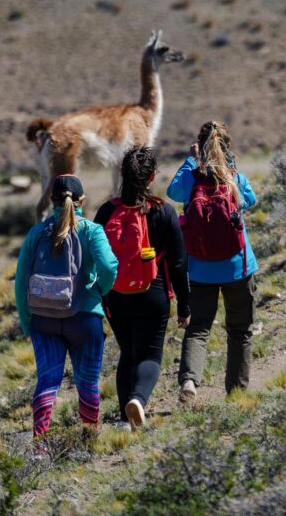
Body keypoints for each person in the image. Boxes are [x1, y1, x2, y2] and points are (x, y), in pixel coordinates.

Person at [14, 174, 118, 437]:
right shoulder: (92, 230)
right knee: (87, 383)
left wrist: (28, 322)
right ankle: (89, 438)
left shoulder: (37, 232)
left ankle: (40, 443)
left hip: (43, 319)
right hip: (85, 319)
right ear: (82, 200)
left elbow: (21, 281)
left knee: (48, 381)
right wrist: (98, 292)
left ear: (51, 201)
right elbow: (108, 266)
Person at [95, 146, 191, 428]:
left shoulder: (106, 211)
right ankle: (137, 399)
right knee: (149, 355)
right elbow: (178, 264)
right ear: (151, 178)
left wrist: (100, 299)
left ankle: (125, 421)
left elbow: (94, 259)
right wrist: (185, 305)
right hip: (153, 294)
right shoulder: (163, 212)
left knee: (127, 352)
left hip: (115, 296)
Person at [167, 121, 259, 400]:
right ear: (226, 146)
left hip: (200, 270)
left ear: (199, 147)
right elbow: (251, 200)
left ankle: (189, 382)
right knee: (240, 331)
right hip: (238, 268)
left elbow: (172, 193)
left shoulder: (190, 179)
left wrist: (190, 160)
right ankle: (236, 392)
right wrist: (229, 166)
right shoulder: (235, 179)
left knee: (198, 329)